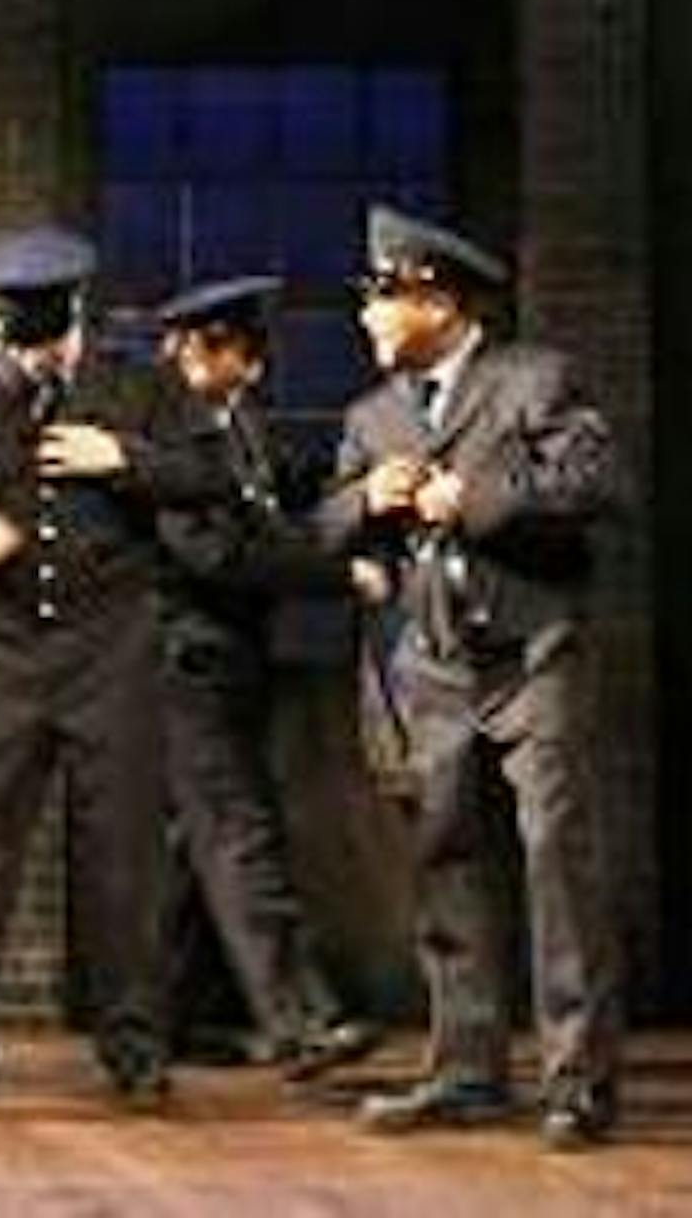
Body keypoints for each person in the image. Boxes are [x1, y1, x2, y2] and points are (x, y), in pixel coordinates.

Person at [0, 224, 225, 1107]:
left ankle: (134, 1048)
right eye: (8, 343)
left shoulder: (140, 380)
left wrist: (125, 458)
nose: (22, 361)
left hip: (114, 648)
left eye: (36, 344)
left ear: (72, 315)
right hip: (4, 650)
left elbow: (211, 477)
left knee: (122, 855)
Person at [317, 206, 621, 1150]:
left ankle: (579, 1083)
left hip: (534, 656)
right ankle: (466, 1071)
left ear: (437, 300)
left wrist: (476, 498)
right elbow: (322, 529)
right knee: (444, 859)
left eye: (380, 297)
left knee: (556, 858)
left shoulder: (533, 379)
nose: (366, 316)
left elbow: (596, 485)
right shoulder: (372, 417)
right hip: (434, 667)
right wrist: (363, 504)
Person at [151, 273, 381, 1080]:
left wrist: (362, 495)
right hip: (182, 664)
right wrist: (338, 574)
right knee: (238, 834)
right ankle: (304, 1020)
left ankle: (162, 1020)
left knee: (196, 849)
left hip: (230, 661)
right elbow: (217, 554)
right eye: (189, 346)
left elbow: (284, 499)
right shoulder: (167, 442)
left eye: (218, 347)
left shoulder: (239, 427)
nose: (194, 359)